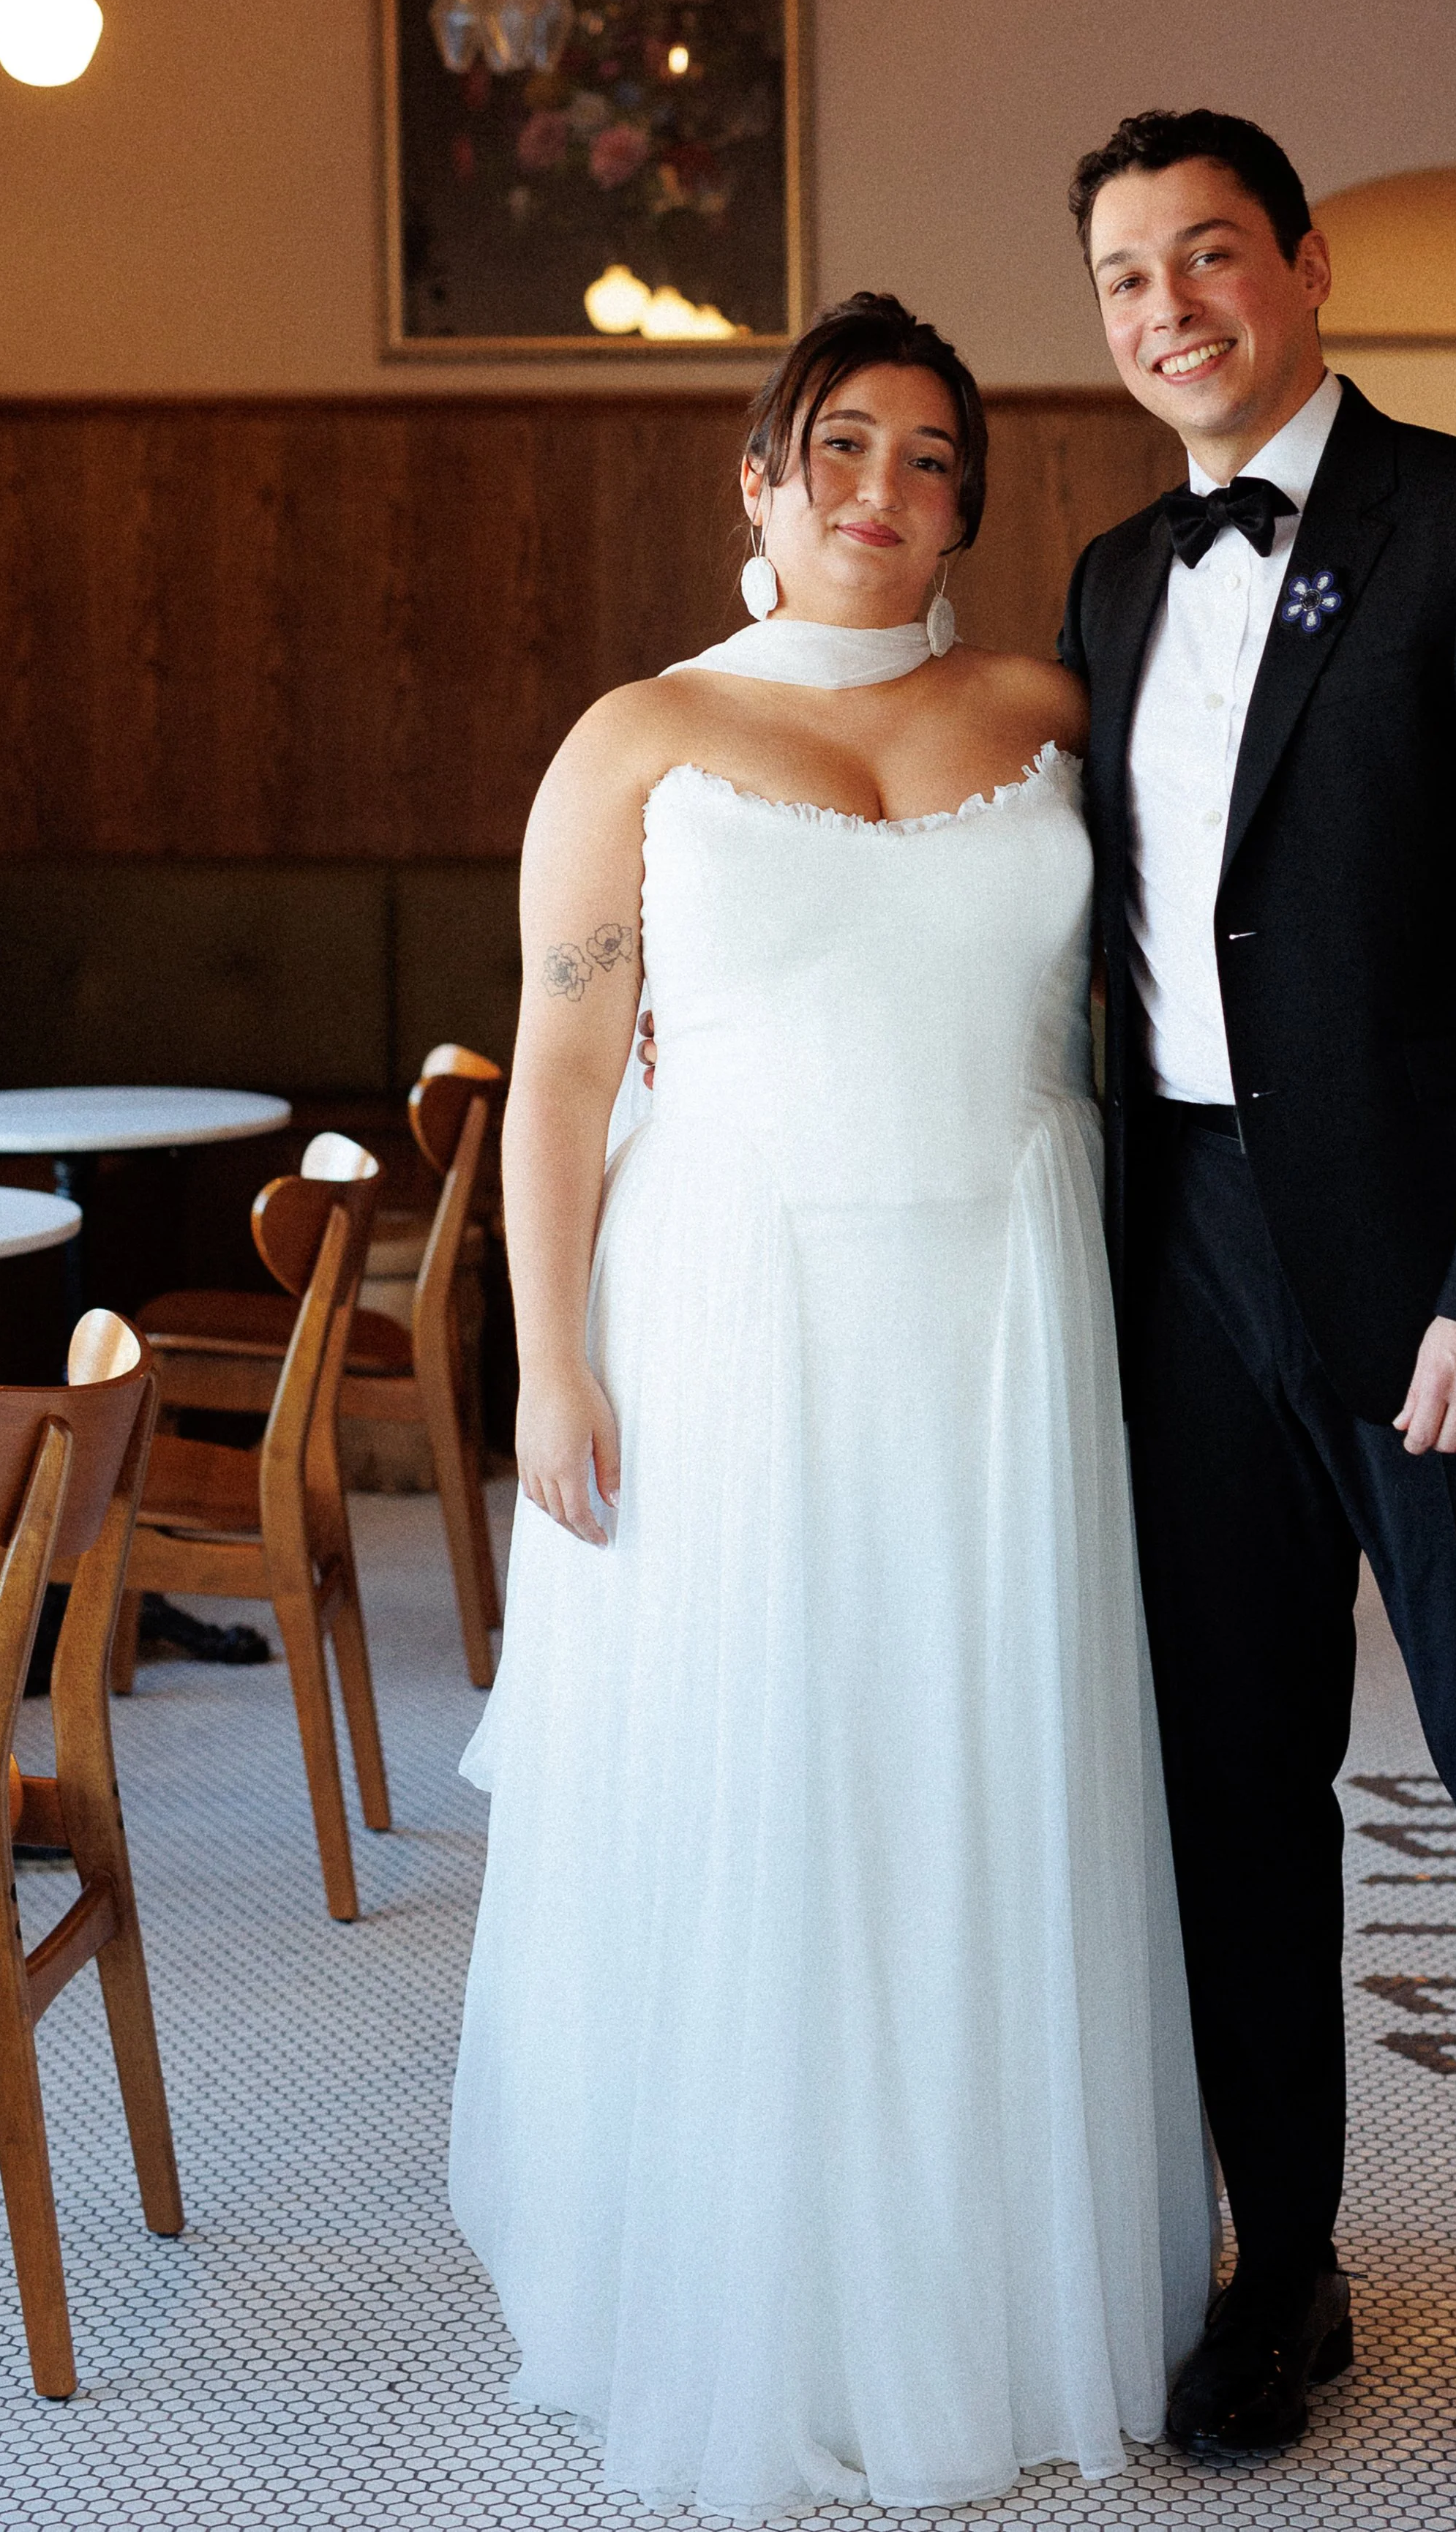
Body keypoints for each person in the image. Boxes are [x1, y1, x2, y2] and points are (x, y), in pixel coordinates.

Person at [449, 291, 1213, 2516]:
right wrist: (551, 1357)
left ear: (970, 502)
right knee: (767, 1768)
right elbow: (568, 1065)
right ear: (760, 481)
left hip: (1003, 1306)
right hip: (734, 1315)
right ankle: (749, 2280)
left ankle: (986, 2272)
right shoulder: (639, 736)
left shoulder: (1053, 708)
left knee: (979, 1766)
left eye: (932, 459)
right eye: (841, 448)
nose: (885, 492)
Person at [1059, 108, 1456, 2532]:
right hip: (1183, 1258)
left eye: (1206, 254)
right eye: (1121, 279)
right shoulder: (1104, 581)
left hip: (1438, 1278)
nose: (1167, 306)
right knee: (1230, 1789)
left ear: (1303, 266)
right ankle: (1287, 2259)